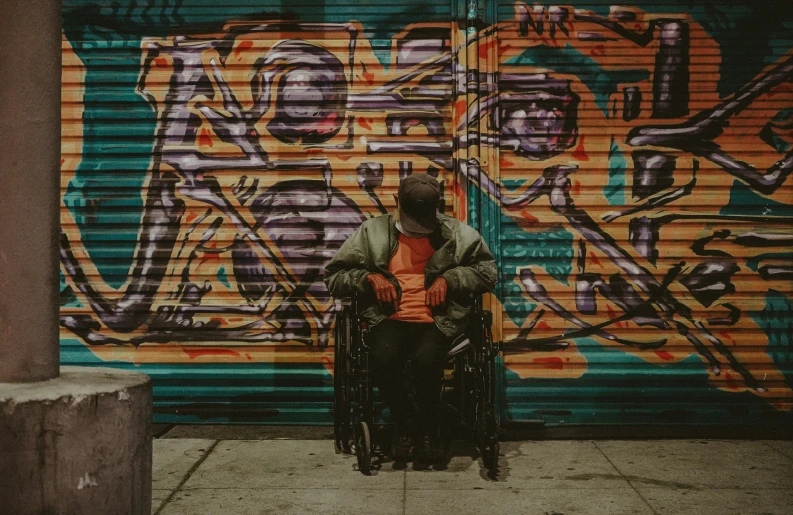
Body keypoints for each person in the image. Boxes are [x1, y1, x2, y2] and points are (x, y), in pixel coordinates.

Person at [323, 173, 497, 463]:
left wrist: (450, 280)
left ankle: (428, 426)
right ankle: (404, 423)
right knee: (385, 357)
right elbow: (335, 276)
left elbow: (487, 272)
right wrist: (368, 278)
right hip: (387, 316)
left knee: (426, 361)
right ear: (395, 202)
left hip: (440, 319)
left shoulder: (458, 233)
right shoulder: (371, 232)